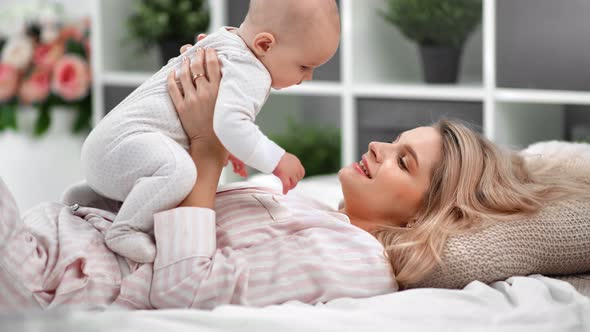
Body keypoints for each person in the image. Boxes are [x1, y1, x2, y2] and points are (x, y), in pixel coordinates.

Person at [1, 45, 588, 311]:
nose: (379, 147)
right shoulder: (311, 208)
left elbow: (181, 291)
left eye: (404, 162)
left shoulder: (357, 263)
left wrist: (205, 150)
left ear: (430, 211)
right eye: (397, 143)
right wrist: (175, 121)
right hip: (52, 232)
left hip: (49, 274)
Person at [79, 0, 341, 263]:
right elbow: (230, 125)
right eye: (305, 67)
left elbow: (223, 119)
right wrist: (277, 160)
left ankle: (90, 198)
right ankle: (126, 228)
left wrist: (235, 146)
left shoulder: (225, 39)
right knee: (178, 172)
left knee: (170, 168)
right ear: (264, 45)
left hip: (107, 148)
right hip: (123, 148)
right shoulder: (253, 72)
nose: (308, 77)